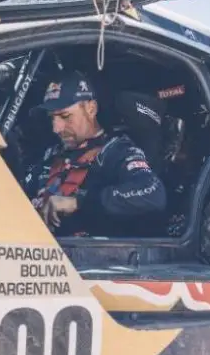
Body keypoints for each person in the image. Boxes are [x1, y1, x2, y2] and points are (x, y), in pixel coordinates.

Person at [21, 70, 166, 237]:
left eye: (65, 116)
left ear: (91, 109)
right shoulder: (51, 155)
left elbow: (153, 193)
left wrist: (79, 202)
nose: (56, 128)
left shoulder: (116, 151)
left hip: (92, 258)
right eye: (52, 118)